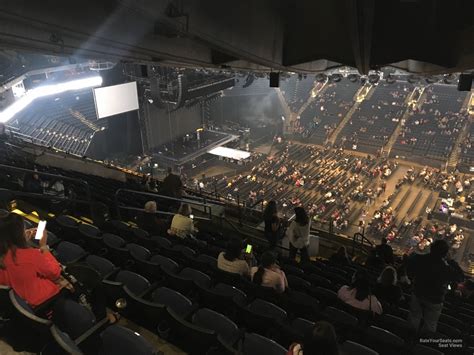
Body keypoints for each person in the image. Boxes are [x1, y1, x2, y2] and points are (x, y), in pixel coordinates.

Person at [0, 210, 62, 307]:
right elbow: (55, 273)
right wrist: (44, 247)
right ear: (18, 235)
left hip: (16, 303)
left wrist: (21, 240)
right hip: (40, 302)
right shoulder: (30, 255)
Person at [407, 240, 464, 333]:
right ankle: (424, 344)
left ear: (431, 248)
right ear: (445, 253)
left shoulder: (418, 259)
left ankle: (409, 338)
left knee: (414, 318)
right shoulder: (446, 268)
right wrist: (451, 261)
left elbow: (409, 269)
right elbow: (461, 277)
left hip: (418, 293)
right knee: (430, 324)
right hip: (435, 299)